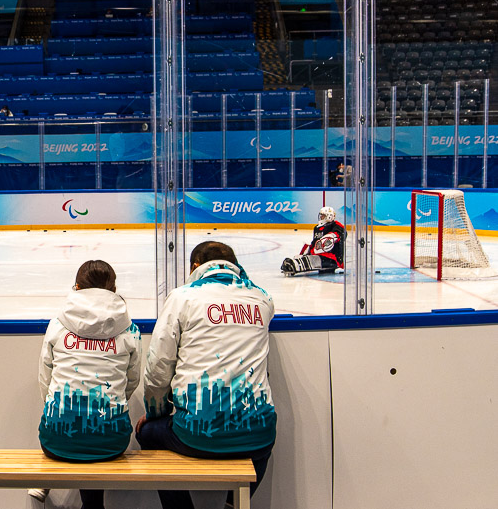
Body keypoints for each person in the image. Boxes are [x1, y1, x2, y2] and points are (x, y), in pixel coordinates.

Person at [136, 241, 276, 509]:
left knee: (148, 433)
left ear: (195, 267)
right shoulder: (263, 299)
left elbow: (158, 368)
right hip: (258, 433)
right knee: (262, 440)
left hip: (196, 434)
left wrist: (156, 413)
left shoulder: (182, 298)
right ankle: (232, 505)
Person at [30, 260, 142, 508]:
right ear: (113, 288)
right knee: (95, 428)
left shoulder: (58, 325)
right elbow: (131, 380)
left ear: (77, 287)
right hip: (112, 441)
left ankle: (48, 478)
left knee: (74, 423)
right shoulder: (129, 330)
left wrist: (56, 410)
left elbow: (45, 378)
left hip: (56, 438)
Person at [281, 206, 345, 276]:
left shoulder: (336, 225)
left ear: (329, 216)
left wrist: (331, 237)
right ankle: (296, 263)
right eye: (321, 215)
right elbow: (314, 243)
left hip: (331, 258)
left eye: (323, 216)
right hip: (319, 256)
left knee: (312, 260)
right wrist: (307, 251)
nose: (321, 217)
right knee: (300, 257)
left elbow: (339, 234)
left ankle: (295, 265)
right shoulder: (317, 228)